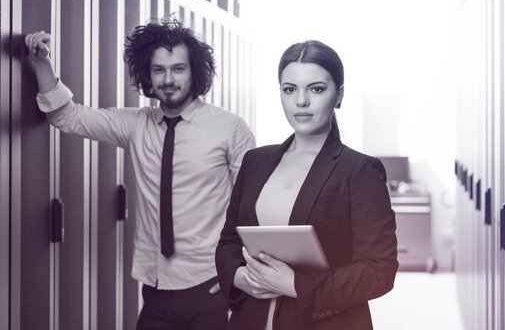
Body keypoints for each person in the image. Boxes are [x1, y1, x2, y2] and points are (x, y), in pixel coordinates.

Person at [25, 19, 255, 330]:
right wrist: (42, 63)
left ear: (195, 71)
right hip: (157, 289)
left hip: (212, 286)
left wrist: (238, 273)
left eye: (178, 68)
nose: (168, 78)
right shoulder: (136, 124)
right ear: (147, 74)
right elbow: (66, 116)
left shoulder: (230, 128)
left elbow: (253, 205)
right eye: (159, 69)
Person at [215, 40, 398, 329]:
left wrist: (297, 285)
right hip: (251, 318)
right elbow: (228, 242)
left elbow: (380, 270)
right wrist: (240, 278)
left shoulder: (361, 170)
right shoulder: (255, 161)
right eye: (290, 89)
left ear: (338, 95)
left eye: (316, 88)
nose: (301, 101)